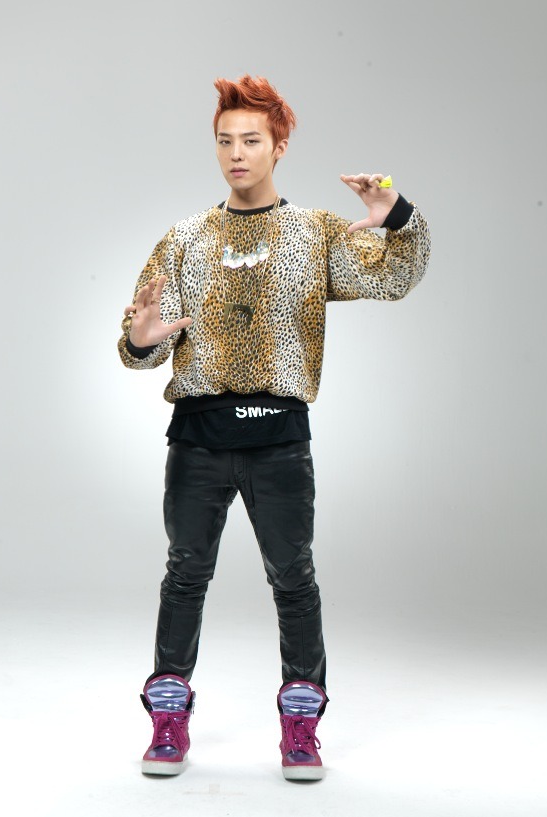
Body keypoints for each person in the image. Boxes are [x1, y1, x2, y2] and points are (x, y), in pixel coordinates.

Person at [118, 74, 431, 781]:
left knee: (293, 578)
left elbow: (392, 280)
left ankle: (301, 728)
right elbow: (140, 341)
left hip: (280, 440)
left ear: (278, 146)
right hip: (197, 438)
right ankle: (167, 720)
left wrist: (397, 218)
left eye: (251, 140)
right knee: (184, 575)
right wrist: (139, 340)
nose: (236, 153)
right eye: (224, 140)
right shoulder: (184, 238)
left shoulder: (314, 233)